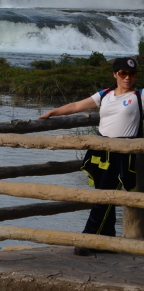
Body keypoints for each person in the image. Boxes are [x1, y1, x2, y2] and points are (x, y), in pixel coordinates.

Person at [38, 57, 142, 254]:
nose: (128, 77)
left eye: (132, 74)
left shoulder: (140, 96)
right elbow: (77, 106)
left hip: (123, 153)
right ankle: (108, 241)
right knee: (103, 195)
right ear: (115, 74)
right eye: (123, 73)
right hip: (99, 150)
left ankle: (88, 240)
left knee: (103, 198)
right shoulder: (104, 95)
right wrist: (53, 112)